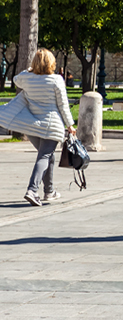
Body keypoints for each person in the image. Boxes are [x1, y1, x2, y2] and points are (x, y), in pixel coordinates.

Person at [0, 49, 75, 207]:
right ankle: (32, 190)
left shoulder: (27, 79)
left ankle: (49, 191)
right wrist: (70, 125)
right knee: (44, 157)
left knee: (48, 156)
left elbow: (16, 79)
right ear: (51, 63)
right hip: (51, 125)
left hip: (33, 126)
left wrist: (29, 70)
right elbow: (63, 105)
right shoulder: (56, 80)